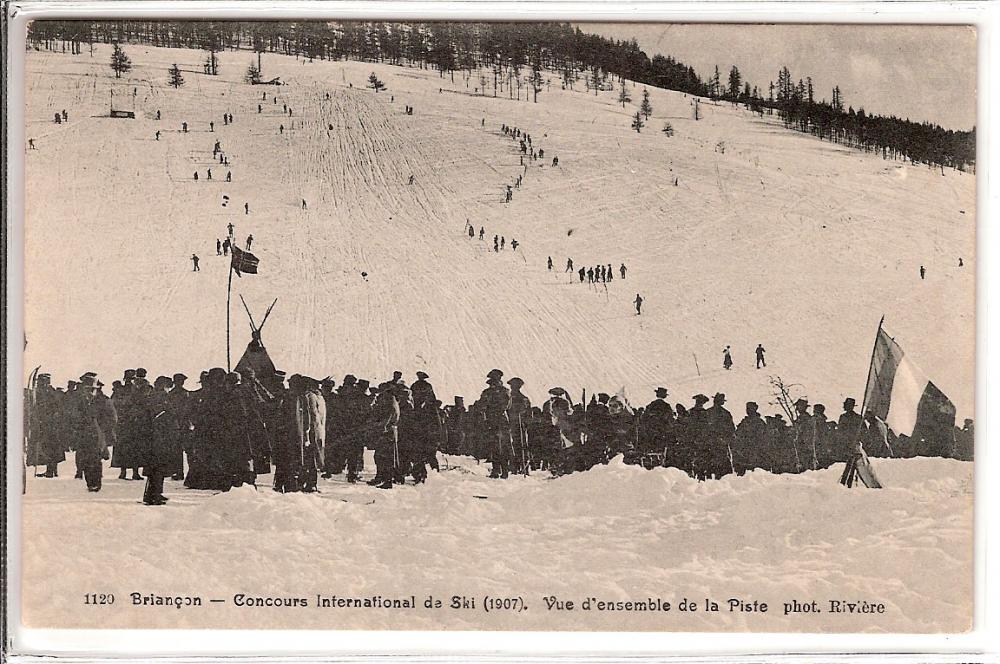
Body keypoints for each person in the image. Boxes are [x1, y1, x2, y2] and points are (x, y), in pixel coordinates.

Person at [734, 402, 766, 475]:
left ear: (754, 410)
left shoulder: (759, 422)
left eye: (749, 409)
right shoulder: (745, 421)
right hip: (745, 452)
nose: (748, 410)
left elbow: (762, 437)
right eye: (747, 409)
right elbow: (738, 434)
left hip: (755, 451)